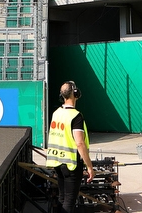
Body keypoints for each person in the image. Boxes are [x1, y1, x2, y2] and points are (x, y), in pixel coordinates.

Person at [46, 81, 95, 213]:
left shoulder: (56, 113)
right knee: (69, 201)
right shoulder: (76, 116)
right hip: (71, 165)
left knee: (62, 199)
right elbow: (80, 143)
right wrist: (89, 166)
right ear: (75, 93)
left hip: (58, 162)